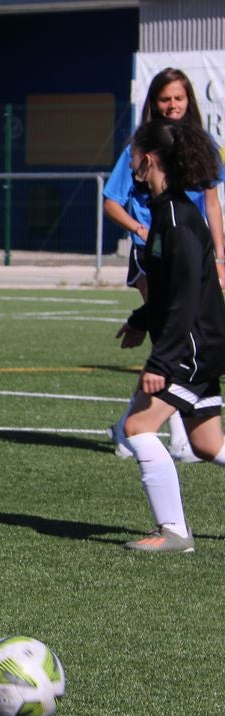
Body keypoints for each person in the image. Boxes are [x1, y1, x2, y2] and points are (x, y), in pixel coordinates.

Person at [105, 67, 225, 462]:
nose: (173, 105)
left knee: (173, 346)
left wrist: (219, 257)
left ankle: (146, 427)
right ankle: (163, 428)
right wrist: (140, 229)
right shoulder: (143, 150)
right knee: (169, 337)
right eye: (165, 98)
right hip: (155, 249)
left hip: (186, 251)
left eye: (178, 97)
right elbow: (111, 201)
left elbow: (212, 204)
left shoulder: (179, 215)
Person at [116, 117, 225, 552]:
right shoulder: (167, 213)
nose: (130, 164)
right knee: (207, 444)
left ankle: (174, 532)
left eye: (132, 156)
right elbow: (166, 290)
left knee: (137, 426)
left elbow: (184, 298)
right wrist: (141, 319)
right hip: (200, 345)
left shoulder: (177, 219)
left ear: (147, 159)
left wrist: (161, 361)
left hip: (191, 349)